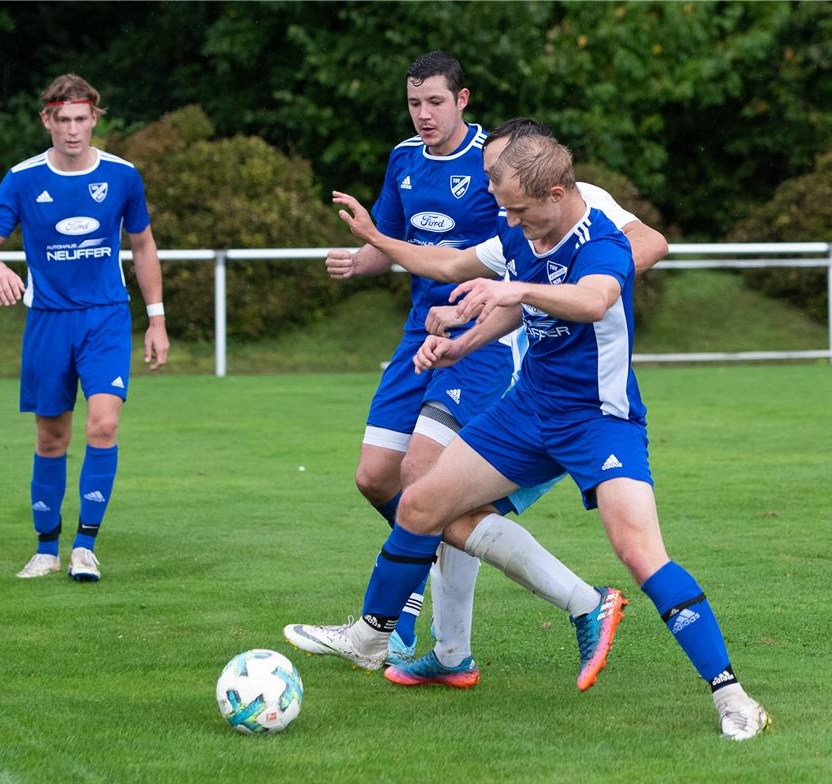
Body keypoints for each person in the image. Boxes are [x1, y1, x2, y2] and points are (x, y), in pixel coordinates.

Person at [286, 131, 769, 740]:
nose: (509, 221)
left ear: (558, 193)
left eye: (518, 209)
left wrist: (513, 287)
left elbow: (592, 301)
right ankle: (370, 637)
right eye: (505, 209)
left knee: (640, 551)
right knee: (421, 500)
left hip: (599, 419)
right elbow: (463, 270)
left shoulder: (603, 243)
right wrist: (453, 334)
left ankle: (732, 697)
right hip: (528, 409)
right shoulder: (522, 230)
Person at [321, 52, 664, 673]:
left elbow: (646, 245)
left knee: (432, 491)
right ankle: (447, 647)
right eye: (414, 102)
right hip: (446, 339)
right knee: (391, 484)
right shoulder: (415, 164)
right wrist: (371, 248)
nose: (491, 183)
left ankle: (407, 625)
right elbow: (448, 263)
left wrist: (588, 288)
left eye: (435, 102)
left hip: (526, 371)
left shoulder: (562, 196)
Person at [0, 73, 169, 582]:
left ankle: (85, 546)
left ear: (94, 118)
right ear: (47, 120)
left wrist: (157, 319)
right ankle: (45, 548)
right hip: (48, 321)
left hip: (105, 316)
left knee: (103, 423)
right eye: (64, 120)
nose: (74, 130)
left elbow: (142, 245)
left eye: (82, 119)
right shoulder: (23, 178)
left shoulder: (123, 176)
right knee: (51, 436)